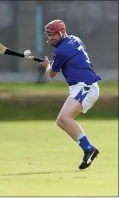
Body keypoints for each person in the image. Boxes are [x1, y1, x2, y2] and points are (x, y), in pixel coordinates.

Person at [41, 19, 101, 170]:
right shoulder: (74, 39)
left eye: (53, 35)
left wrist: (47, 65)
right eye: (48, 35)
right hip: (83, 86)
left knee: (64, 118)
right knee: (61, 121)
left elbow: (51, 74)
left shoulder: (61, 51)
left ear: (61, 32)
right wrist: (54, 63)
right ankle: (88, 149)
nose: (50, 38)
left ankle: (89, 149)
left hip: (85, 86)